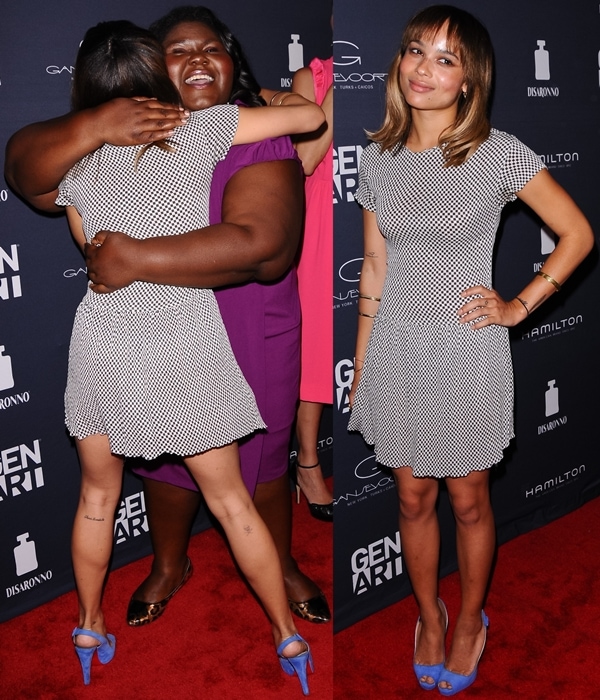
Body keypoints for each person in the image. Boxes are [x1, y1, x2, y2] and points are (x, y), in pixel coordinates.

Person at [9, 20, 323, 693]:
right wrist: (242, 95)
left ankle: (89, 624)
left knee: (96, 497)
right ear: (157, 77)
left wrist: (94, 130)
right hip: (183, 337)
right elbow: (306, 116)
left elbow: (67, 220)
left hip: (103, 342)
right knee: (233, 503)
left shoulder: (76, 164)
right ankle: (286, 638)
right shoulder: (199, 131)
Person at [348, 5, 593, 696]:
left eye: (445, 58)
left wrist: (518, 304)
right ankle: (428, 614)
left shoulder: (497, 152)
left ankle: (469, 620)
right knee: (411, 497)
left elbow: (577, 234)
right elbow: (373, 264)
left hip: (465, 349)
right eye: (415, 51)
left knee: (468, 501)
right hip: (396, 345)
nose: (424, 68)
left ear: (469, 79)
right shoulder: (376, 157)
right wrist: (362, 361)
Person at [291, 56, 334, 522]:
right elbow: (303, 160)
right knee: (317, 352)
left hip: (380, 217)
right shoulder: (314, 78)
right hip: (322, 220)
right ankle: (307, 462)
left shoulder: (405, 74)